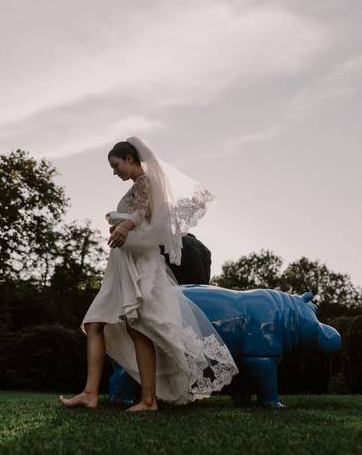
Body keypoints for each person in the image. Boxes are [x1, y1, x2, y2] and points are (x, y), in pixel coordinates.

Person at [59, 136, 238, 411]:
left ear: (130, 159)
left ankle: (148, 400)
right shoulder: (139, 185)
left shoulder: (145, 182)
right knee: (96, 323)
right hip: (122, 262)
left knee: (138, 327)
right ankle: (90, 393)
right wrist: (122, 228)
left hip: (139, 264)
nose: (114, 171)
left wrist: (125, 226)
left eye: (116, 165)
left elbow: (142, 213)